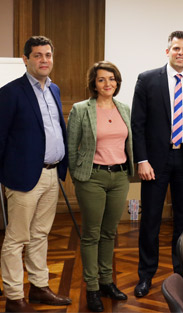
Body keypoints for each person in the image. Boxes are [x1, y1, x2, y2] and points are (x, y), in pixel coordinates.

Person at [131, 31, 183, 297]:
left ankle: (180, 274)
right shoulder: (147, 79)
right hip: (155, 161)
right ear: (167, 51)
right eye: (176, 48)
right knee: (151, 219)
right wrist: (142, 159)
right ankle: (146, 275)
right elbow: (138, 124)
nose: (180, 53)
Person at [0, 35, 72, 312]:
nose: (44, 60)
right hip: (22, 178)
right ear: (26, 59)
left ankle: (39, 288)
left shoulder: (54, 90)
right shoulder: (10, 93)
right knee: (17, 238)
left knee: (41, 234)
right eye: (38, 55)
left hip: (52, 175)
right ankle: (14, 298)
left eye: (48, 55)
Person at [67, 61, 133, 311]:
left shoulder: (124, 109)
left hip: (119, 178)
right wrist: (77, 177)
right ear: (93, 83)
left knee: (109, 233)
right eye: (102, 79)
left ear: (117, 82)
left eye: (112, 79)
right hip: (92, 178)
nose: (108, 84)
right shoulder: (81, 109)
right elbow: (72, 147)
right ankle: (92, 287)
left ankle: (107, 281)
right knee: (91, 234)